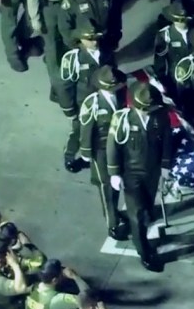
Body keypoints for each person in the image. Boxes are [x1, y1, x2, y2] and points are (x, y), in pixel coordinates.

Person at [106, 81, 174, 272]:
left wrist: (165, 165)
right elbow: (113, 146)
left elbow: (167, 139)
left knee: (147, 206)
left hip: (151, 173)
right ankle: (144, 252)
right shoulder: (122, 119)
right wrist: (114, 173)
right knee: (138, 214)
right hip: (131, 174)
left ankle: (128, 224)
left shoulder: (160, 116)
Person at [78, 66, 129, 239]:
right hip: (100, 151)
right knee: (106, 186)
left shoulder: (123, 95)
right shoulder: (92, 103)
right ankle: (112, 224)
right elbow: (86, 130)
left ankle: (116, 212)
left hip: (120, 147)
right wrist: (86, 153)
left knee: (121, 182)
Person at [59, 20, 115, 173]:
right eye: (89, 39)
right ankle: (70, 155)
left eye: (96, 38)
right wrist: (69, 108)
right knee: (79, 131)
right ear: (81, 39)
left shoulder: (107, 52)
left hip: (104, 98)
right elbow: (65, 86)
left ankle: (92, 155)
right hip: (82, 102)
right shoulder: (74, 58)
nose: (94, 42)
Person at [152, 1, 194, 95]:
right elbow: (160, 62)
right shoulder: (165, 35)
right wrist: (163, 81)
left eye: (183, 19)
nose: (182, 23)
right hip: (177, 78)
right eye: (179, 20)